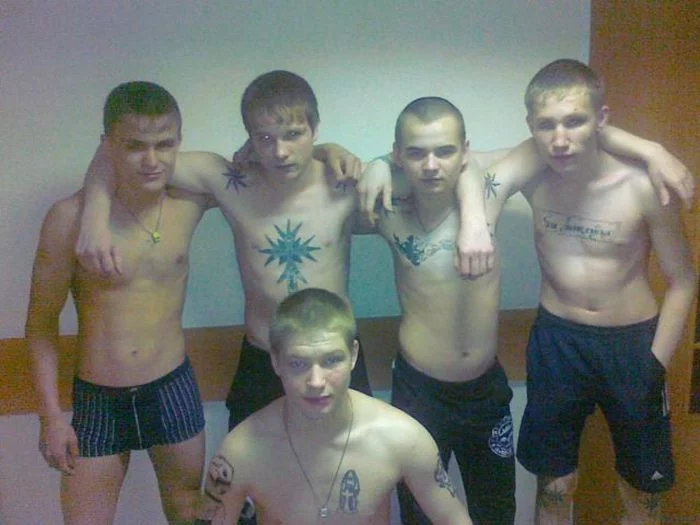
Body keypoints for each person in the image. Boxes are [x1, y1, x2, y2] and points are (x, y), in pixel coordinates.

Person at [76, 71, 374, 440]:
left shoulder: (344, 184)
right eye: (265, 138)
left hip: (334, 357)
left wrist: (334, 152)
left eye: (294, 135)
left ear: (314, 128)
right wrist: (94, 218)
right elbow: (119, 153)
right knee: (247, 469)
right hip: (264, 356)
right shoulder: (231, 182)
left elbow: (416, 172)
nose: (280, 152)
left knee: (357, 461)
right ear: (249, 138)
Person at [481, 59, 697, 524]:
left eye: (575, 121)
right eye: (547, 125)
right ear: (531, 127)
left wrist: (655, 361)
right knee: (555, 484)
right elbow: (458, 163)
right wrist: (378, 167)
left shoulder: (642, 185)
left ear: (601, 119)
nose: (560, 139)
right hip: (557, 342)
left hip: (632, 345)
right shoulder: (533, 175)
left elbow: (683, 279)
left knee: (641, 489)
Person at [24, 81, 215, 524]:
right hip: (98, 397)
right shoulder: (68, 219)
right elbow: (40, 325)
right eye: (134, 146)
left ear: (179, 142)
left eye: (164, 144)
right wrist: (50, 416)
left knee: (189, 511)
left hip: (172, 386)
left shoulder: (190, 201)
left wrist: (331, 151)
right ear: (107, 145)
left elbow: (265, 165)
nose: (151, 160)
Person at [196, 287, 474, 525]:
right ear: (276, 362)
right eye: (298, 363)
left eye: (331, 360)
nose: (316, 381)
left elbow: (454, 519)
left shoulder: (403, 438)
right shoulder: (241, 451)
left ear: (353, 356)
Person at [373, 97, 514, 524]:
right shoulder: (386, 207)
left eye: (445, 151)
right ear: (398, 154)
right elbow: (323, 170)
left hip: (484, 391)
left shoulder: (489, 195)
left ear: (465, 151)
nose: (431, 166)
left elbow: (544, 146)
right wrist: (376, 165)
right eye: (416, 153)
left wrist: (652, 153)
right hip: (419, 393)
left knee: (496, 513)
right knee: (420, 514)